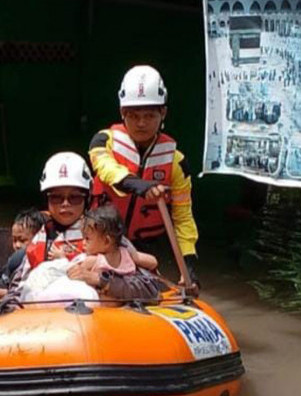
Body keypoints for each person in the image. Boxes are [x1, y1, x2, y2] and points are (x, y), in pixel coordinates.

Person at [87, 65, 199, 288]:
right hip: (101, 239)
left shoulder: (177, 163)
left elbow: (183, 218)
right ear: (122, 113)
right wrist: (139, 185)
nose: (141, 123)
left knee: (151, 288)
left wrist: (189, 266)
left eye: (149, 115)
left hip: (147, 247)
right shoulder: (102, 142)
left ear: (163, 114)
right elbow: (107, 170)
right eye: (133, 115)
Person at [16, 151, 91, 283]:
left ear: (87, 200)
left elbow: (133, 284)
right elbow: (19, 287)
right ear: (47, 200)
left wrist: (99, 279)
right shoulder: (39, 237)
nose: (65, 204)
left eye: (75, 197)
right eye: (56, 197)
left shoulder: (105, 233)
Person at [67, 205, 160, 302]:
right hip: (126, 302)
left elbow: (71, 273)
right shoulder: (127, 254)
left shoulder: (92, 261)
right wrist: (136, 257)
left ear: (107, 241)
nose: (83, 243)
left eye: (87, 239)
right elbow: (153, 262)